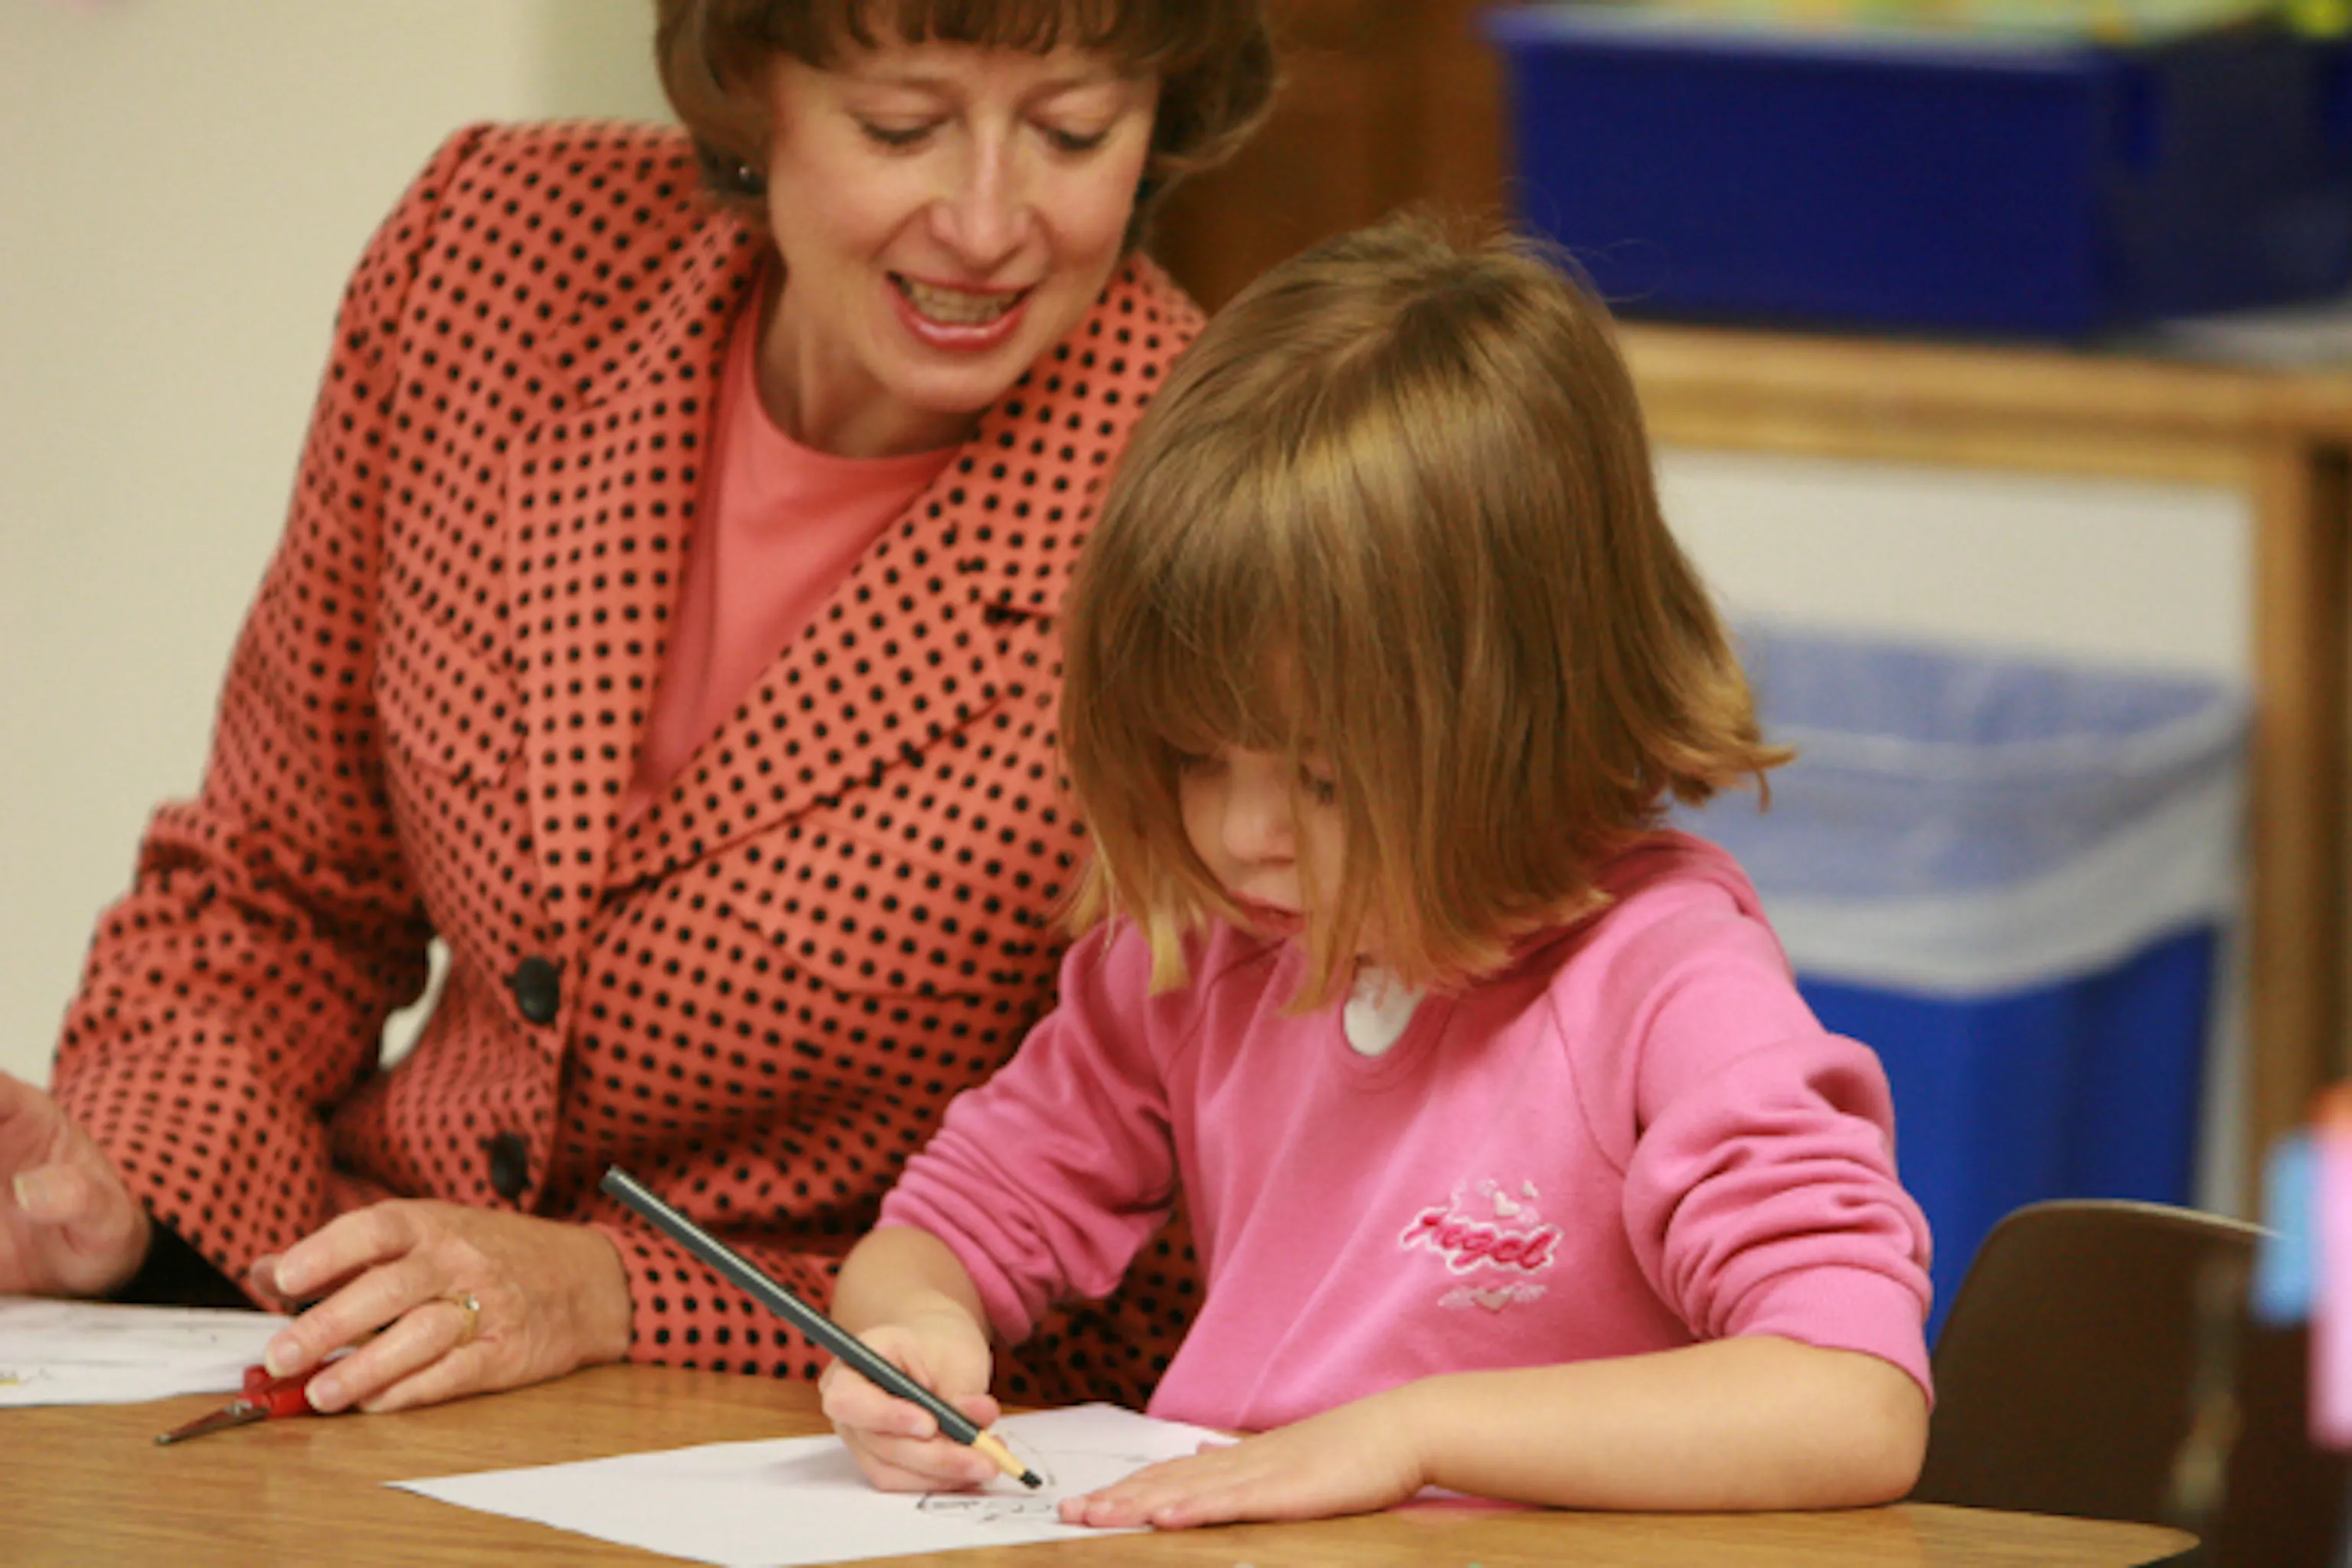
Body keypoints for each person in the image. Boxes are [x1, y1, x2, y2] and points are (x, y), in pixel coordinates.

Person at [0, 0, 1273, 1417]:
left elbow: (1173, 1280)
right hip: (353, 1358)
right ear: (751, 85)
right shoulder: (500, 252)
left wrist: (616, 1292)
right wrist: (123, 1180)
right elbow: (279, 889)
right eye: (901, 126)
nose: (986, 223)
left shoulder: (1216, 514)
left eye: (1073, 133)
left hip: (805, 1433)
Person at [819, 215, 1936, 1524]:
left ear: (1527, 716)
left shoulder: (1666, 984)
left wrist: (1415, 1435)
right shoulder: (1208, 944)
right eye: (1197, 758)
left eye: (1326, 779)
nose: (1245, 833)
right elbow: (947, 1228)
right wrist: (912, 1337)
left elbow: (1851, 1399)